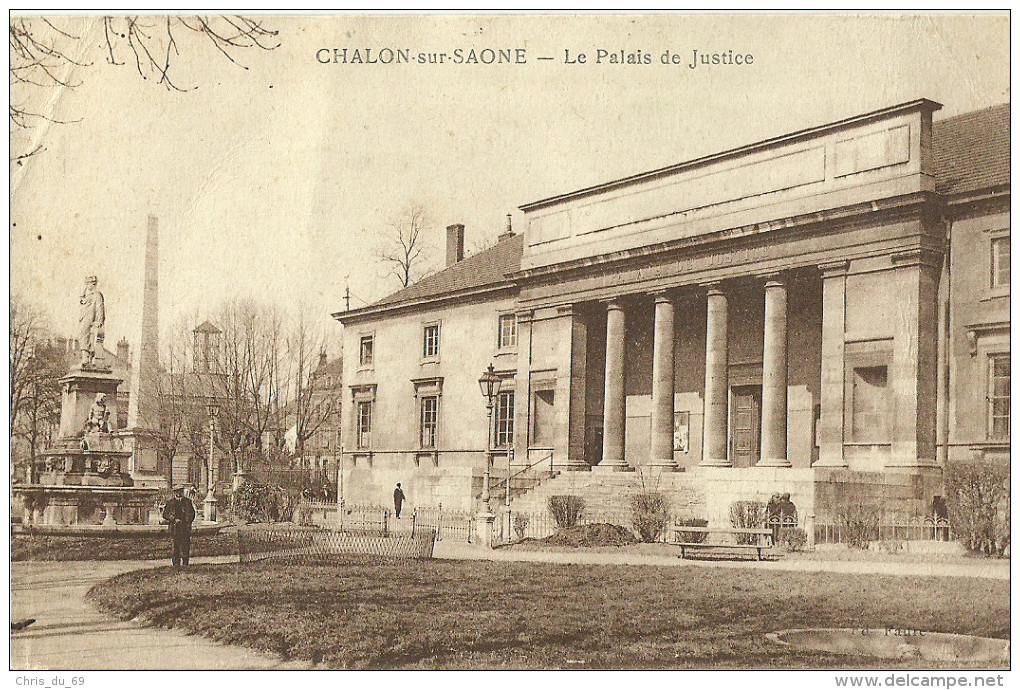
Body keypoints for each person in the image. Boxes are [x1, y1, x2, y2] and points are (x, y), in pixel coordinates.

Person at [162, 484, 196, 567]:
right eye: (177, 491)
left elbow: (192, 513)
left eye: (180, 491)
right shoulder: (170, 502)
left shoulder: (187, 501)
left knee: (185, 545)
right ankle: (176, 563)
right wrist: (173, 519)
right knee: (175, 545)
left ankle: (185, 563)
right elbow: (165, 514)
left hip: (185, 526)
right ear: (174, 492)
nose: (179, 493)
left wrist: (187, 521)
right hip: (174, 527)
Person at [77, 275, 106, 368]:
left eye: (90, 284)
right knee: (83, 337)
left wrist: (99, 320)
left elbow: (100, 308)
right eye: (87, 284)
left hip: (91, 320)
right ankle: (85, 357)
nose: (88, 286)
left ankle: (89, 358)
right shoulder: (86, 296)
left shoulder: (97, 295)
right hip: (84, 319)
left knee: (90, 339)